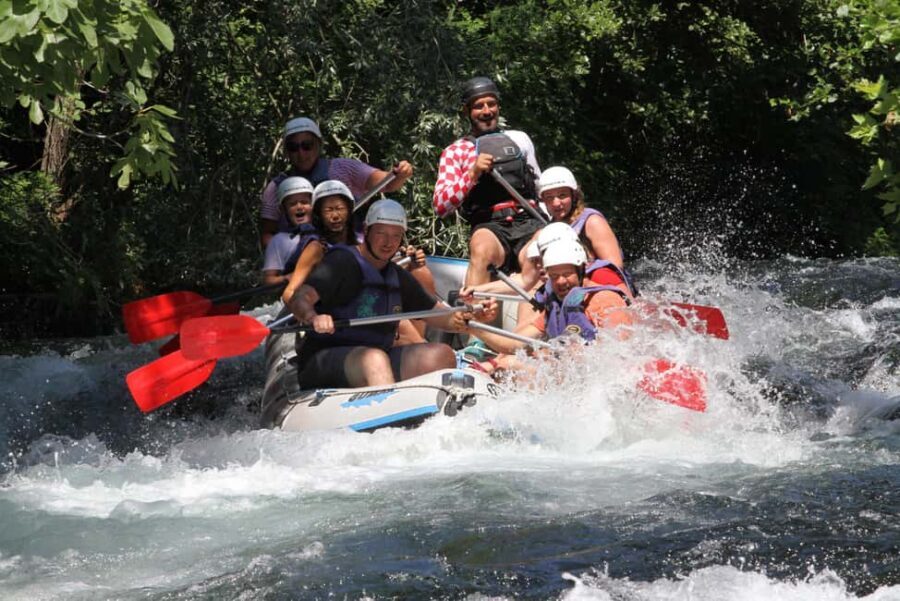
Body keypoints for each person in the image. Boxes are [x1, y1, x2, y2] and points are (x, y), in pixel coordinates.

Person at [288, 199, 497, 387]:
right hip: (324, 360)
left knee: (441, 356)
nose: (388, 242)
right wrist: (312, 316)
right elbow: (300, 297)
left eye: (396, 236)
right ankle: (386, 418)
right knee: (373, 359)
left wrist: (470, 315)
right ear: (366, 230)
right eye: (382, 234)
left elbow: (439, 315)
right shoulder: (341, 262)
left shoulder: (395, 276)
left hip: (377, 357)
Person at [461, 237, 635, 376]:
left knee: (514, 366)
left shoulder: (604, 300)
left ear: (581, 271)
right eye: (554, 276)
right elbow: (514, 344)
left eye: (566, 274)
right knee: (506, 365)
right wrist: (473, 327)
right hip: (572, 376)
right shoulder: (555, 305)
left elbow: (623, 355)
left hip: (599, 380)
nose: (560, 281)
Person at [432, 76, 544, 287]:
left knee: (539, 254)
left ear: (498, 106)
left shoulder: (520, 139)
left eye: (491, 104)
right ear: (466, 111)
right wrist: (472, 174)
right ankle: (473, 311)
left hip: (528, 220)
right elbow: (440, 205)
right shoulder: (455, 151)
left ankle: (533, 317)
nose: (486, 111)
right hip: (490, 225)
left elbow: (540, 188)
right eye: (478, 106)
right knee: (482, 250)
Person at [260, 117, 414, 247]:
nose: (301, 153)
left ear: (318, 145)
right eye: (294, 147)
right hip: (304, 257)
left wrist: (400, 175)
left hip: (351, 249)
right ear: (286, 151)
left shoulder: (344, 168)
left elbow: (387, 183)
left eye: (307, 145)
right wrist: (289, 252)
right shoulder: (275, 188)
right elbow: (267, 234)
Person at [261, 176, 315, 286]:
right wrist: (285, 278)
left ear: (313, 205)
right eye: (292, 204)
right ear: (283, 209)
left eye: (304, 202)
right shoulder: (279, 241)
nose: (299, 207)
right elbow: (268, 280)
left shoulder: (325, 234)